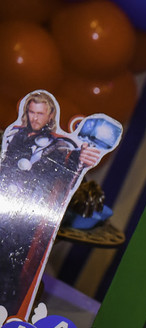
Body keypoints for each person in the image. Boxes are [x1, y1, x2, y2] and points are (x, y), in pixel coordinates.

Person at [0, 92, 100, 316]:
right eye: (31, 112)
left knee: (13, 267)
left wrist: (81, 160)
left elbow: (67, 173)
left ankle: (7, 313)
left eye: (40, 114)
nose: (35, 118)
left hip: (29, 217)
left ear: (50, 115)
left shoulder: (60, 146)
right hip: (5, 209)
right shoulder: (14, 135)